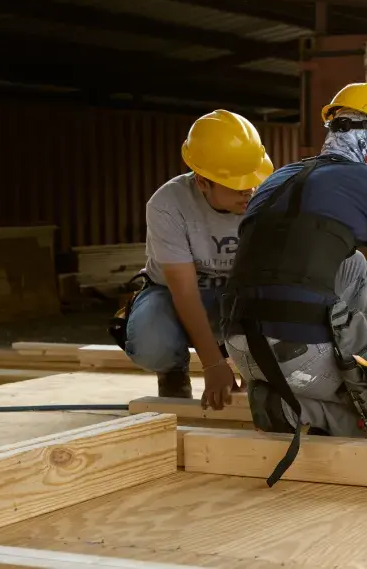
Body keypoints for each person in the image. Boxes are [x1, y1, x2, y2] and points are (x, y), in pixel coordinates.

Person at [218, 82, 367, 484]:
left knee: (352, 266)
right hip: (296, 354)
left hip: (239, 346)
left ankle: (294, 389)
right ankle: (296, 409)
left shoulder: (277, 178)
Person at [117, 109, 274, 404]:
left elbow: (271, 282)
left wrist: (249, 364)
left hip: (239, 295)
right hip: (174, 295)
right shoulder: (168, 204)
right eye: (237, 186)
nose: (249, 191)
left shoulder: (266, 197)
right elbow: (185, 292)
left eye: (252, 181)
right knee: (152, 341)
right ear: (203, 181)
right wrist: (213, 364)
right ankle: (173, 373)